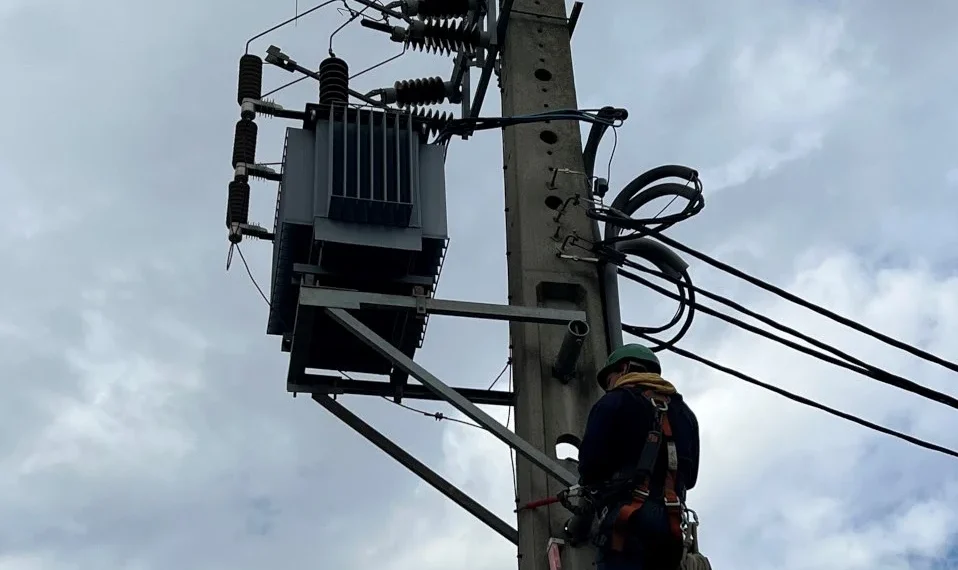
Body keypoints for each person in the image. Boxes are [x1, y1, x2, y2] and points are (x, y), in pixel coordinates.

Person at [577, 343, 700, 570]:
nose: (609, 386)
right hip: (671, 524)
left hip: (628, 520)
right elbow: (689, 478)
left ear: (624, 369)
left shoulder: (614, 401)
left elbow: (589, 466)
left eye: (609, 379)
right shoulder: (686, 415)